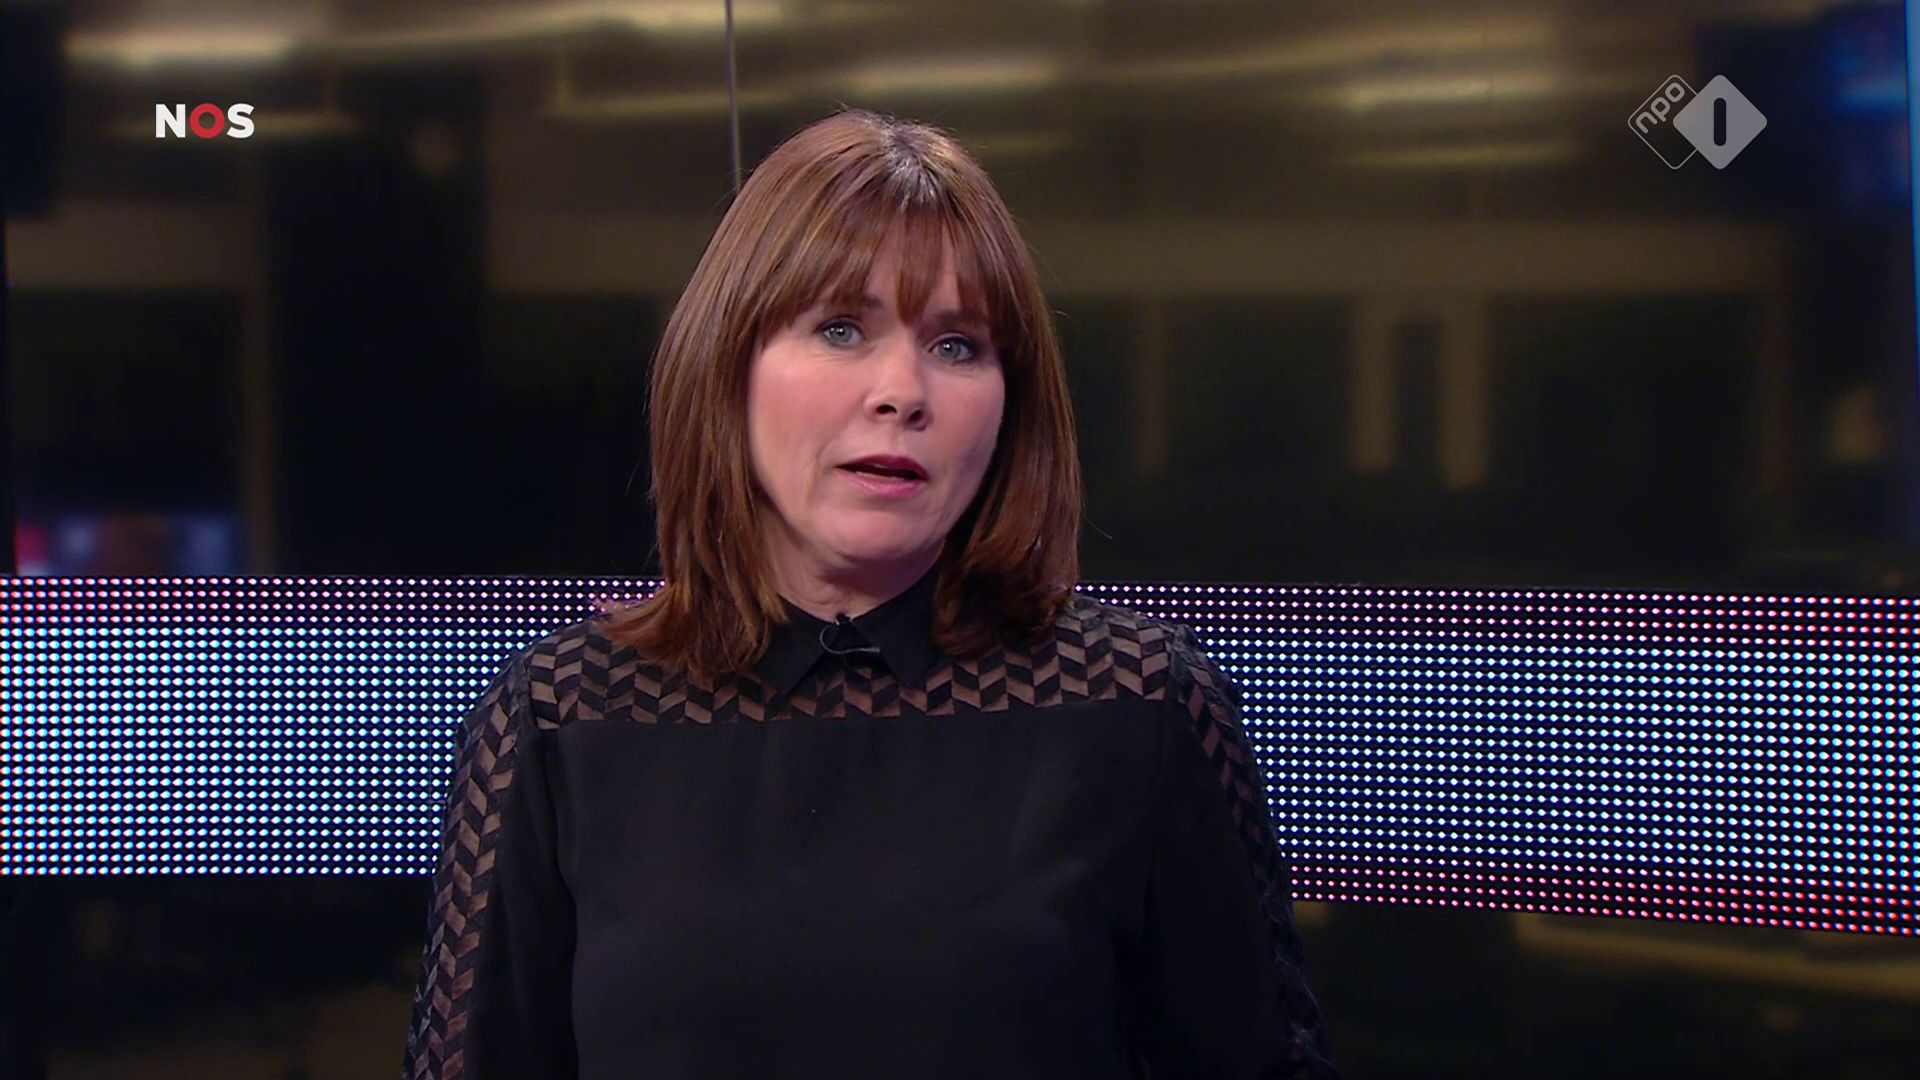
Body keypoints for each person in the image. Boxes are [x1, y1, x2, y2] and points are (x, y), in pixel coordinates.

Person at [403, 107, 1340, 1080]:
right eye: (841, 328)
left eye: (958, 345)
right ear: (728, 366)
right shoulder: (560, 717)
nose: (903, 391)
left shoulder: (1137, 700)